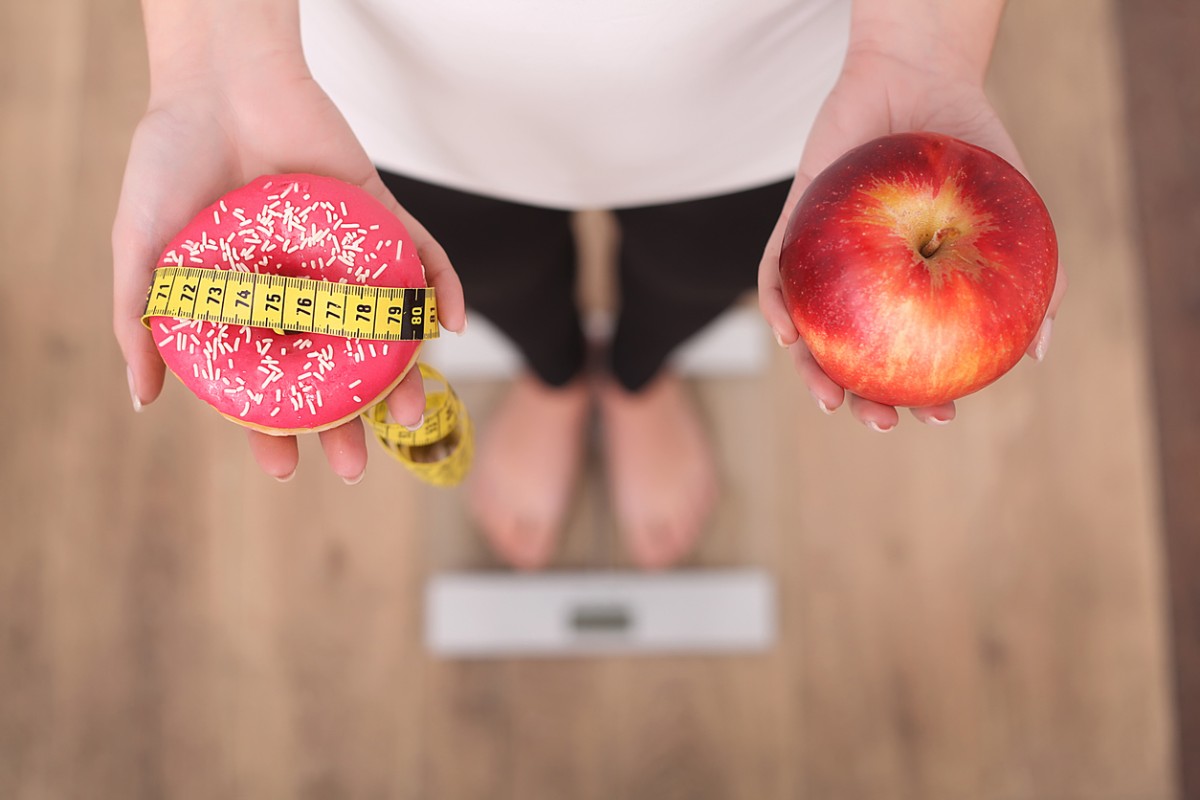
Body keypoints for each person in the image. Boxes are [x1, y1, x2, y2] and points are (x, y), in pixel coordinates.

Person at [112, 0, 1066, 571]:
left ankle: (638, 376)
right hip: (380, 82)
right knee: (478, 275)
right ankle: (557, 375)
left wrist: (923, 43)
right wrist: (218, 60)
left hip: (791, 79)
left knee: (707, 268)